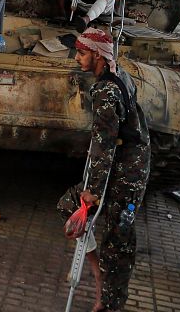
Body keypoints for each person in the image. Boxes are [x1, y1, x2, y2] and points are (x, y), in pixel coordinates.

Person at [58, 28, 150, 312]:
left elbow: (105, 144)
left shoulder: (106, 91)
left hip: (126, 173)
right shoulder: (118, 73)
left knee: (118, 244)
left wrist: (93, 192)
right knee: (68, 208)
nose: (77, 58)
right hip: (126, 163)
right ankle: (99, 276)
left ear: (98, 55)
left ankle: (110, 304)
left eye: (82, 53)